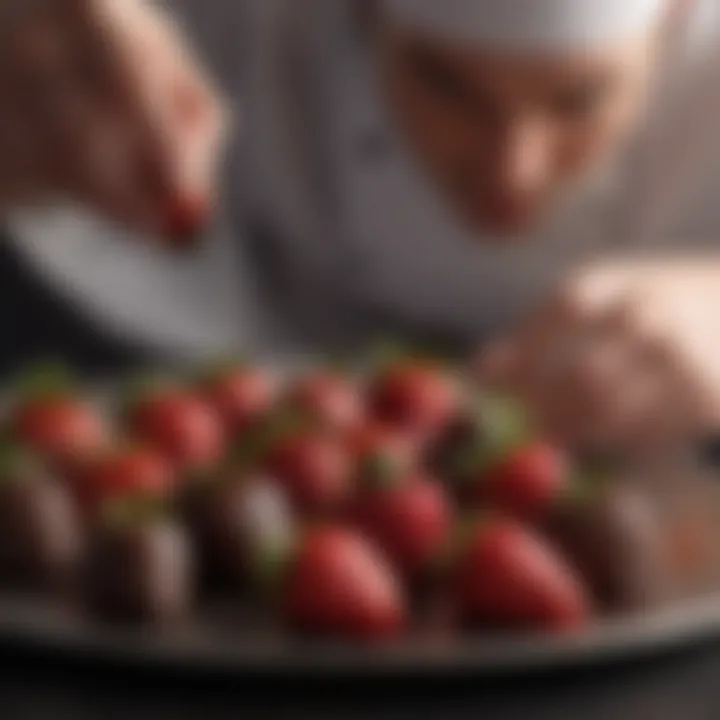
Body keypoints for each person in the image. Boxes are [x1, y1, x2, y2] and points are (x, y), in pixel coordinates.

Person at [1, 0, 720, 454]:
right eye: (448, 86)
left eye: (579, 99)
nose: (511, 173)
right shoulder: (237, 22)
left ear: (679, 19)